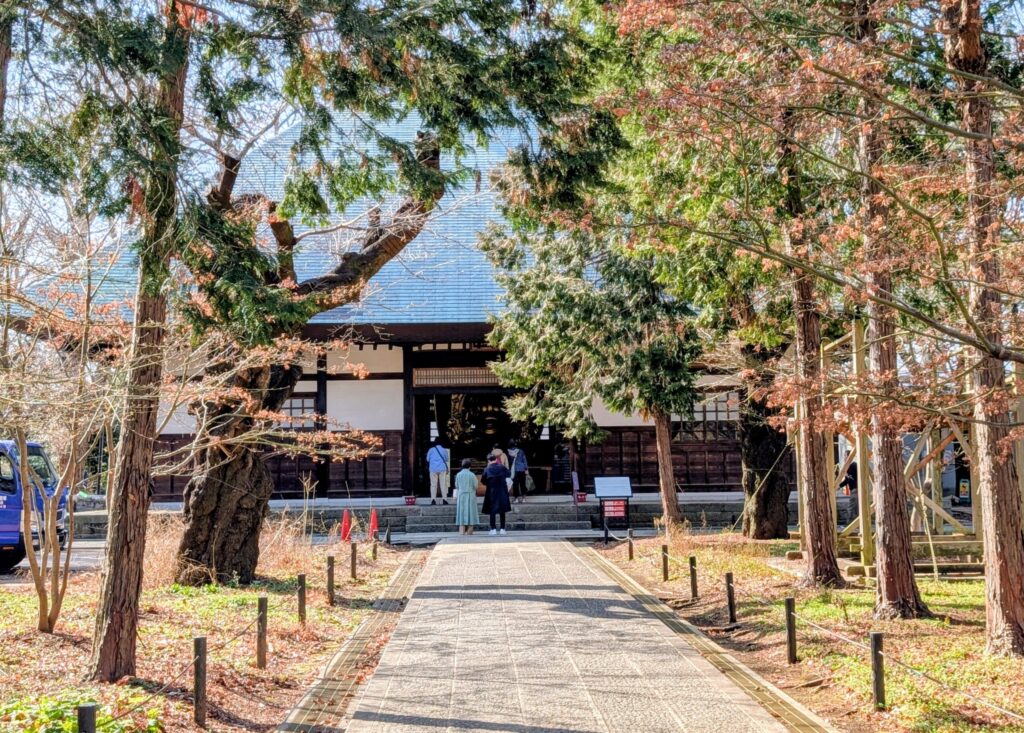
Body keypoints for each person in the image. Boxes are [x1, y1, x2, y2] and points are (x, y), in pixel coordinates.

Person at [481, 452, 511, 536]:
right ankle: (502, 529)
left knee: (492, 511)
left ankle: (493, 529)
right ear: (496, 459)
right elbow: (509, 475)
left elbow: (483, 480)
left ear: (488, 461)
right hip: (502, 491)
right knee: (502, 510)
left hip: (492, 491)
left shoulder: (487, 469)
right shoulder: (502, 467)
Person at [454, 458, 480, 534]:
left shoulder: (458, 474)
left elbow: (457, 486)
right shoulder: (472, 475)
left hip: (461, 495)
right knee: (471, 512)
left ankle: (461, 530)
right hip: (470, 495)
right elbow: (475, 486)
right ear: (470, 466)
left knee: (461, 512)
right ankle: (470, 530)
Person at [426, 438, 450, 505]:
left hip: (433, 469)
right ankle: (444, 499)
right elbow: (446, 459)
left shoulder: (431, 450)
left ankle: (433, 499)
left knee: (433, 485)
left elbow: (427, 459)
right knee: (443, 484)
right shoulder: (444, 450)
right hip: (442, 469)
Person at [507, 440, 529, 504]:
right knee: (523, 484)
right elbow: (524, 460)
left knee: (515, 485)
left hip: (514, 470)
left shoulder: (508, 452)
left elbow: (508, 462)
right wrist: (526, 469)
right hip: (521, 469)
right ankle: (524, 499)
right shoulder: (521, 451)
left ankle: (516, 499)